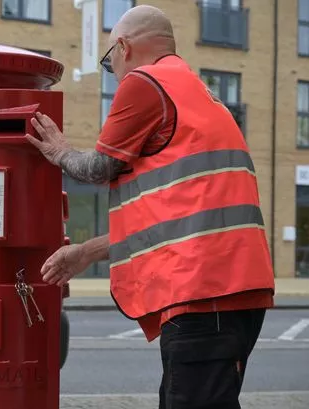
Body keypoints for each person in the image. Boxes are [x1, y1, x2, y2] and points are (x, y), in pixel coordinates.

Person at [25, 4, 276, 409]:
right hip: (230, 292)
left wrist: (59, 151)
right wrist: (86, 252)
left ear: (122, 47)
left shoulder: (145, 83)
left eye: (109, 64)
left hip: (203, 292)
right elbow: (171, 222)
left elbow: (101, 167)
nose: (115, 75)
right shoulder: (200, 95)